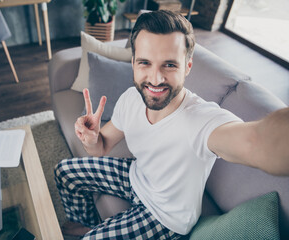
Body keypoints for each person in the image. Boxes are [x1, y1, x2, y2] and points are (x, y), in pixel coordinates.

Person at [54, 10, 289, 239]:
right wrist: (92, 139)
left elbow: (256, 142)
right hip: (136, 177)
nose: (155, 79)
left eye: (169, 65)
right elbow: (101, 148)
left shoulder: (201, 119)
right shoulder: (130, 98)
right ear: (133, 62)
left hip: (166, 218)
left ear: (187, 67)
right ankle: (85, 223)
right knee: (64, 171)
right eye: (145, 63)